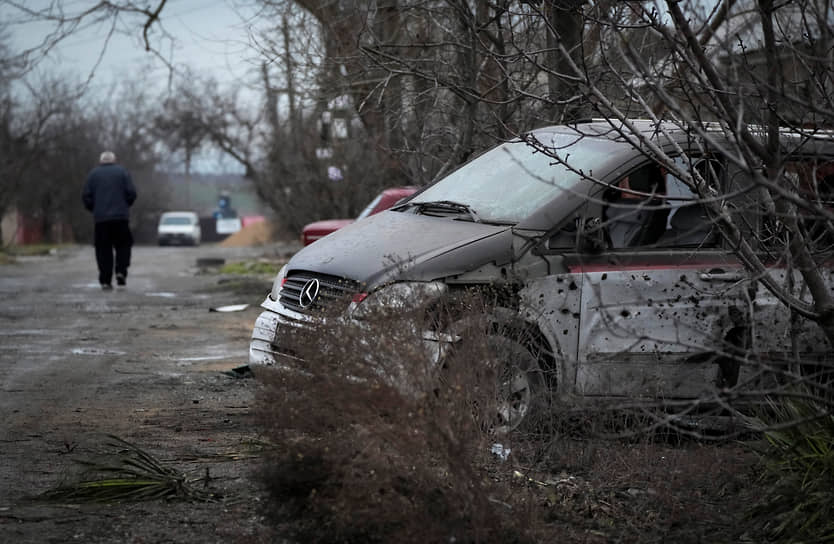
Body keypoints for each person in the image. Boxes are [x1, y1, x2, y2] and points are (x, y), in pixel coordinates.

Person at [81, 151, 137, 290]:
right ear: (114, 160)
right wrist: (124, 206)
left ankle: (105, 280)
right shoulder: (123, 172)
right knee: (123, 246)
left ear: (101, 161)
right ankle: (121, 272)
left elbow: (86, 197)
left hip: (101, 220)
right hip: (120, 219)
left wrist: (95, 209)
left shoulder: (93, 175)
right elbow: (132, 193)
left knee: (103, 250)